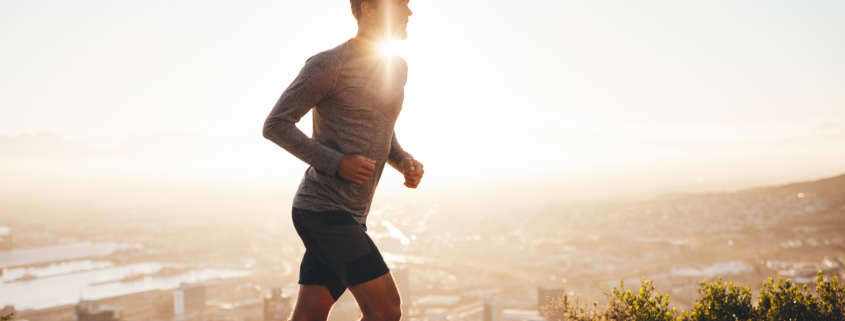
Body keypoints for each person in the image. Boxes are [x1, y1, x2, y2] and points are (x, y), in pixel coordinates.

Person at [262, 0, 421, 320]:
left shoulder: (397, 68)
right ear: (368, 8)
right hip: (321, 210)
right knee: (386, 310)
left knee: (311, 312)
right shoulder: (328, 64)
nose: (409, 12)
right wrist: (337, 162)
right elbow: (276, 125)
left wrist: (402, 159)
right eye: (400, 4)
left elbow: (381, 127)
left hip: (353, 214)